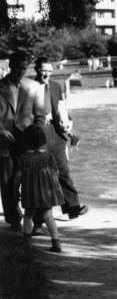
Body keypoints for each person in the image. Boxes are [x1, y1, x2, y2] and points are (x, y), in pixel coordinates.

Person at [31, 58, 87, 220]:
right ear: (36, 69)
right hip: (38, 132)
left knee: (63, 171)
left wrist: (70, 129)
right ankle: (38, 216)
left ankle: (72, 208)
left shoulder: (56, 86)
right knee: (41, 175)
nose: (46, 73)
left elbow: (62, 110)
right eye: (43, 70)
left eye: (49, 70)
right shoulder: (29, 88)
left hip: (57, 133)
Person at [13, 125, 64, 252]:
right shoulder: (49, 156)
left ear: (26, 141)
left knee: (28, 215)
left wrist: (15, 190)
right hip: (47, 193)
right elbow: (56, 172)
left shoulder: (24, 158)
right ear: (43, 140)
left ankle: (26, 240)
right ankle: (56, 242)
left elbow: (18, 176)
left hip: (31, 193)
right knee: (48, 216)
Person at [0, 51, 33, 230]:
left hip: (25, 139)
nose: (21, 72)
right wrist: (1, 131)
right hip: (5, 140)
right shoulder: (0, 86)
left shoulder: (29, 87)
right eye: (18, 68)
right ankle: (13, 218)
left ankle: (30, 214)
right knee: (7, 181)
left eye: (24, 68)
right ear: (10, 66)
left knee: (26, 179)